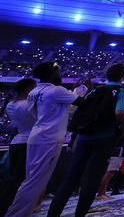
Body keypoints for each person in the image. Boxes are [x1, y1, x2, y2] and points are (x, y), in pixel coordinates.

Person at [48, 63, 124, 217]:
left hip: (84, 136)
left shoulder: (94, 91)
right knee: (92, 178)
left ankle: (53, 213)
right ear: (122, 76)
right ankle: (80, 213)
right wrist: (123, 127)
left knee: (71, 177)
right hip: (105, 137)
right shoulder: (122, 92)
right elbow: (120, 112)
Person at [6, 63, 82, 217]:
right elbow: (81, 101)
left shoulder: (34, 91)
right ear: (53, 74)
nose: (61, 74)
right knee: (35, 182)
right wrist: (85, 89)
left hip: (36, 135)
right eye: (59, 71)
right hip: (49, 138)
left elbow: (35, 113)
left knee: (31, 180)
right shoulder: (56, 90)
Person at [0, 78, 36, 215]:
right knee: (19, 181)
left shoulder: (10, 104)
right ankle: (8, 208)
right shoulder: (29, 105)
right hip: (27, 143)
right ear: (28, 89)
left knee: (12, 179)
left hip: (16, 142)